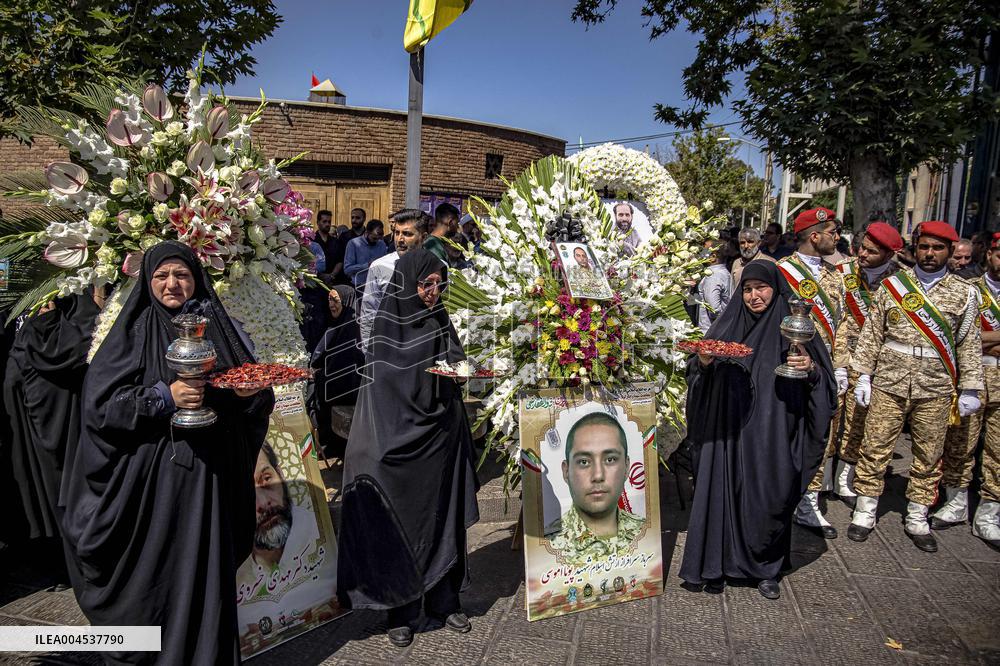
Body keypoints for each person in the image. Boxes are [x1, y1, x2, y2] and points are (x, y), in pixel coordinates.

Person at [61, 241, 275, 665]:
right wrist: (164, 395)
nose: (172, 284)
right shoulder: (133, 330)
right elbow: (102, 407)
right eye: (162, 276)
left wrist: (248, 394)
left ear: (196, 280)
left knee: (202, 577)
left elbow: (248, 394)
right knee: (155, 578)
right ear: (148, 280)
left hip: (206, 480)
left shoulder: (216, 326)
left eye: (182, 275)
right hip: (152, 486)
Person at [338, 249, 479, 648]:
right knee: (399, 524)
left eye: (439, 284)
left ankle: (443, 599)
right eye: (425, 284)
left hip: (440, 438)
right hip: (396, 443)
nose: (433, 293)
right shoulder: (388, 325)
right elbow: (383, 393)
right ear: (405, 284)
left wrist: (463, 373)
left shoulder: (439, 319)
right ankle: (399, 609)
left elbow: (455, 363)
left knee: (441, 519)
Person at [682, 261, 836, 600]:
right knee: (725, 493)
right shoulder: (729, 323)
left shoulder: (795, 329)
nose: (754, 296)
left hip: (773, 431)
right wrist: (704, 362)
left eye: (761, 288)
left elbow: (824, 384)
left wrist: (809, 369)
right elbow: (695, 368)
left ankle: (766, 568)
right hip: (729, 430)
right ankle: (717, 564)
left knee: (770, 495)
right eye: (748, 289)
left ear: (775, 289)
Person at [849, 221, 983, 552]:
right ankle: (865, 510)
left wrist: (970, 388)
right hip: (890, 380)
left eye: (937, 248)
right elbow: (872, 334)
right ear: (915, 249)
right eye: (924, 247)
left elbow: (968, 343)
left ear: (951, 252)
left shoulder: (965, 293)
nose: (929, 254)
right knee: (875, 445)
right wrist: (863, 373)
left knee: (928, 453)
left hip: (936, 386)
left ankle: (917, 514)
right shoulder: (893, 286)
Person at [4, 291, 101, 590]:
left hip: (55, 405)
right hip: (29, 398)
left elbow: (70, 347)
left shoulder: (77, 295)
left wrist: (48, 320)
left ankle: (73, 563)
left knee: (62, 483)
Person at [777, 207, 845, 538]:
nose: (838, 238)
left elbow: (843, 324)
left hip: (822, 369)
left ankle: (809, 499)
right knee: (785, 432)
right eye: (833, 231)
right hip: (788, 366)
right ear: (815, 235)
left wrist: (841, 366)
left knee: (820, 433)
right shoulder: (781, 271)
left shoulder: (837, 276)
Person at [931, 232, 1000, 546]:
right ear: (988, 254)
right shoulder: (968, 290)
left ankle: (989, 512)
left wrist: (988, 337)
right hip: (973, 377)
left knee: (997, 451)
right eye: (999, 252)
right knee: (961, 443)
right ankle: (956, 501)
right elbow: (961, 335)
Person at [830, 222, 902, 509]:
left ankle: (845, 476)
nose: (862, 254)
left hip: (872, 364)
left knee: (859, 423)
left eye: (871, 252)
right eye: (861, 248)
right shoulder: (842, 272)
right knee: (830, 417)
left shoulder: (900, 282)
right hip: (839, 357)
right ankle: (820, 478)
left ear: (888, 255)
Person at [544, 412, 643, 565]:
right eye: (584, 462)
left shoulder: (644, 533)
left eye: (610, 460)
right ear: (566, 471)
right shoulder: (548, 544)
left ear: (626, 467)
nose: (598, 475)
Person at [359, 209, 430, 352]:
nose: (400, 239)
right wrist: (369, 351)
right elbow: (369, 312)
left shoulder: (437, 268)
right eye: (397, 233)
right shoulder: (379, 267)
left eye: (407, 234)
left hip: (424, 351)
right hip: (388, 350)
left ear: (423, 237)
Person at [310, 285, 364, 457]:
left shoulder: (351, 328)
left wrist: (319, 375)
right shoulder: (335, 325)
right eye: (329, 299)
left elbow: (346, 369)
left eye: (336, 300)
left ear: (347, 301)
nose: (331, 304)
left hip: (346, 390)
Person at [696, 240, 733, 333]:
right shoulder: (723, 273)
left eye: (704, 251)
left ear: (713, 257)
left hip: (710, 331)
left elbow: (713, 308)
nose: (701, 253)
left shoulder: (714, 276)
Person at [344, 219, 387, 290]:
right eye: (374, 238)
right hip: (359, 287)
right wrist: (367, 265)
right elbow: (347, 269)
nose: (377, 241)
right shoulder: (353, 244)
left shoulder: (381, 244)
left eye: (379, 238)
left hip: (377, 287)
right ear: (367, 232)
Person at [330, 208, 368, 284]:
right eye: (352, 217)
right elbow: (340, 258)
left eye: (357, 218)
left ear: (364, 219)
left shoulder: (369, 236)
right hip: (346, 278)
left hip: (365, 277)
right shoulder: (344, 237)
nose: (354, 220)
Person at [313, 210, 338, 282]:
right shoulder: (311, 241)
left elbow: (340, 261)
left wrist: (332, 275)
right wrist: (319, 275)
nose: (327, 224)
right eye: (324, 221)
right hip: (315, 280)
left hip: (333, 280)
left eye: (329, 222)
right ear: (318, 223)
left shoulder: (335, 241)